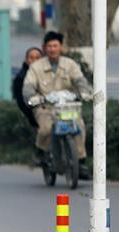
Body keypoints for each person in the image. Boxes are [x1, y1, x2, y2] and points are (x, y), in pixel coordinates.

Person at [22, 31, 90, 174]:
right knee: (46, 128)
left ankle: (81, 161)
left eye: (55, 46)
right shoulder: (36, 67)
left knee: (79, 126)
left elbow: (80, 81)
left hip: (67, 107)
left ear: (61, 47)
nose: (52, 49)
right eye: (49, 46)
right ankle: (41, 151)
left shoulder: (70, 64)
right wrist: (32, 97)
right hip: (45, 107)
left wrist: (83, 92)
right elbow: (28, 87)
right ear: (45, 48)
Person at [13, 47, 42, 129]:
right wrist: (33, 117)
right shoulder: (21, 78)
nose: (34, 61)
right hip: (34, 117)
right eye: (31, 58)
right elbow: (21, 102)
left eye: (37, 58)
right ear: (26, 60)